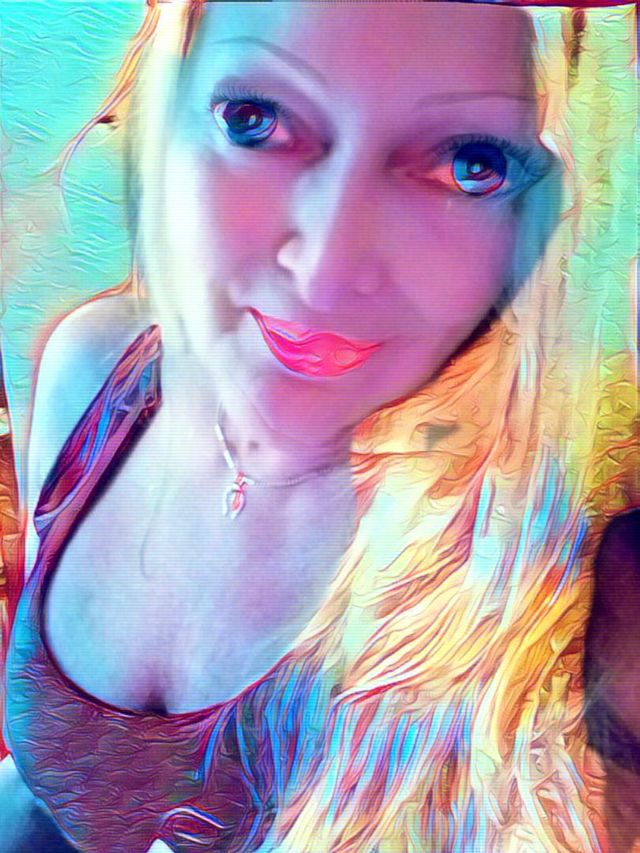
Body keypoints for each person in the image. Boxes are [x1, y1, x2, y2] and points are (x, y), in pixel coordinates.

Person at [0, 1, 636, 851]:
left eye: (470, 164)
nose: (327, 270)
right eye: (255, 121)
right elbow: (50, 785)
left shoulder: (565, 545)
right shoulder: (95, 371)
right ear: (165, 104)